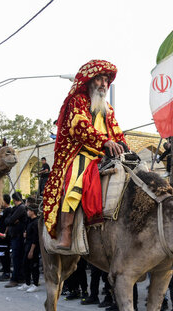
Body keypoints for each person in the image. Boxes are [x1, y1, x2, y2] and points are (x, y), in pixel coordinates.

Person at [42, 60, 126, 250]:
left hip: (106, 155)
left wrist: (122, 144)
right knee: (75, 183)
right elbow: (79, 127)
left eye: (106, 80)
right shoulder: (78, 101)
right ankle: (66, 232)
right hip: (82, 152)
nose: (104, 84)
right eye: (99, 79)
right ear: (89, 81)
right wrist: (104, 141)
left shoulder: (108, 108)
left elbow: (117, 131)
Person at [5, 192, 27, 288]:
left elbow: (9, 220)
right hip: (15, 235)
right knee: (17, 257)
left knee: (16, 258)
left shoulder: (21, 208)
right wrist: (12, 221)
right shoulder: (16, 208)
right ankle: (20, 276)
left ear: (14, 199)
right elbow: (8, 220)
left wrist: (12, 221)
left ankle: (15, 279)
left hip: (18, 236)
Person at [18, 200, 40, 293]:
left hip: (33, 247)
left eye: (29, 210)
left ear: (32, 212)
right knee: (25, 265)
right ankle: (27, 283)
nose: (27, 212)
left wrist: (31, 251)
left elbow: (36, 238)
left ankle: (35, 284)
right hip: (27, 245)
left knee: (34, 266)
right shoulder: (29, 221)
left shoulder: (36, 222)